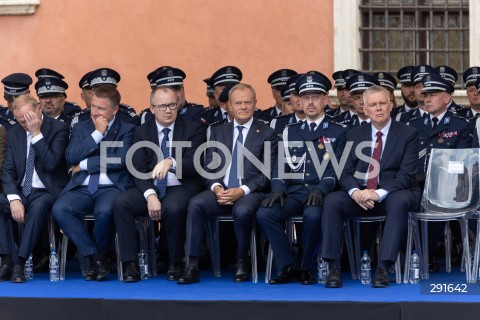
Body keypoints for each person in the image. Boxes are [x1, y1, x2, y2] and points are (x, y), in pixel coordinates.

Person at [321, 85, 420, 288]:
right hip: (360, 195)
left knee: (401, 200)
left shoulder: (408, 134)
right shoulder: (353, 134)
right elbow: (344, 171)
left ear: (391, 105)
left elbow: (407, 175)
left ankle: (384, 267)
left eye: (382, 103)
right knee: (332, 201)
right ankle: (333, 267)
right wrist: (356, 192)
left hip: (391, 194)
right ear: (364, 109)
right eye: (373, 105)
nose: (378, 108)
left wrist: (378, 194)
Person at [178, 83, 278, 284]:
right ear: (229, 107)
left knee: (242, 211)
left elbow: (266, 172)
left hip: (251, 192)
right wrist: (216, 187)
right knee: (196, 204)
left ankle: (242, 260)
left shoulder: (267, 133)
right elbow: (209, 166)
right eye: (238, 103)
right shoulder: (217, 131)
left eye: (247, 102)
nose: (243, 107)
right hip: (220, 190)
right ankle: (192, 264)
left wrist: (241, 190)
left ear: (255, 104)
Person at [257, 73, 347, 285]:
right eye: (305, 98)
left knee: (314, 216)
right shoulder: (290, 132)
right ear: (299, 100)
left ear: (325, 99)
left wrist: (322, 189)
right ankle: (288, 264)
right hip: (294, 192)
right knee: (264, 214)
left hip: (320, 193)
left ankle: (307, 267)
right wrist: (278, 188)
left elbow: (336, 168)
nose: (310, 102)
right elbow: (281, 164)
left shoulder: (338, 131)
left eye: (315, 97)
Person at [114, 86, 206, 282]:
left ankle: (174, 261)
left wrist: (171, 162)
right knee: (122, 203)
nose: (168, 110)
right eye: (162, 106)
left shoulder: (193, 128)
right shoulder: (140, 132)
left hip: (180, 184)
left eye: (172, 105)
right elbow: (136, 167)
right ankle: (130, 264)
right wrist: (150, 195)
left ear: (178, 106)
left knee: (173, 207)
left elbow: (196, 165)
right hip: (150, 185)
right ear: (152, 108)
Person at [52, 85, 135, 282]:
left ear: (114, 110)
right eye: (93, 106)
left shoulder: (127, 130)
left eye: (101, 108)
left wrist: (85, 164)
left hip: (111, 187)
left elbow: (120, 160)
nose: (94, 112)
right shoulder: (82, 127)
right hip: (82, 186)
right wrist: (97, 134)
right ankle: (97, 257)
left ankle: (102, 257)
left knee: (105, 211)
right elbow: (70, 156)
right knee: (60, 209)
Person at [0, 94, 69, 282]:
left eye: (27, 119)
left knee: (38, 208)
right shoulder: (14, 133)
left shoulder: (59, 128)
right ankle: (7, 260)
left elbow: (51, 164)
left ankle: (20, 264)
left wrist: (36, 134)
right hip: (22, 191)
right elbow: (7, 170)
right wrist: (14, 199)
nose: (24, 125)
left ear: (39, 109)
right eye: (20, 121)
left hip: (47, 191)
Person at [407, 73, 472, 272]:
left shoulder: (461, 125)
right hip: (414, 185)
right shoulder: (413, 125)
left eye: (433, 94)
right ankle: (411, 254)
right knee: (401, 201)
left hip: (448, 186)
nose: (427, 98)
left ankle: (425, 254)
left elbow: (463, 163)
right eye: (425, 94)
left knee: (435, 200)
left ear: (447, 98)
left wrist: (433, 175)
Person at [71, 68, 140, 126]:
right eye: (99, 91)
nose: (104, 94)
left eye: (108, 91)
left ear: (115, 93)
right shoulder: (80, 120)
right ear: (92, 94)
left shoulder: (130, 119)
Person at [140, 67, 206, 125]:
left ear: (183, 89)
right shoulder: (148, 116)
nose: (173, 94)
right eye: (167, 90)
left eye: (177, 88)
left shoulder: (197, 113)